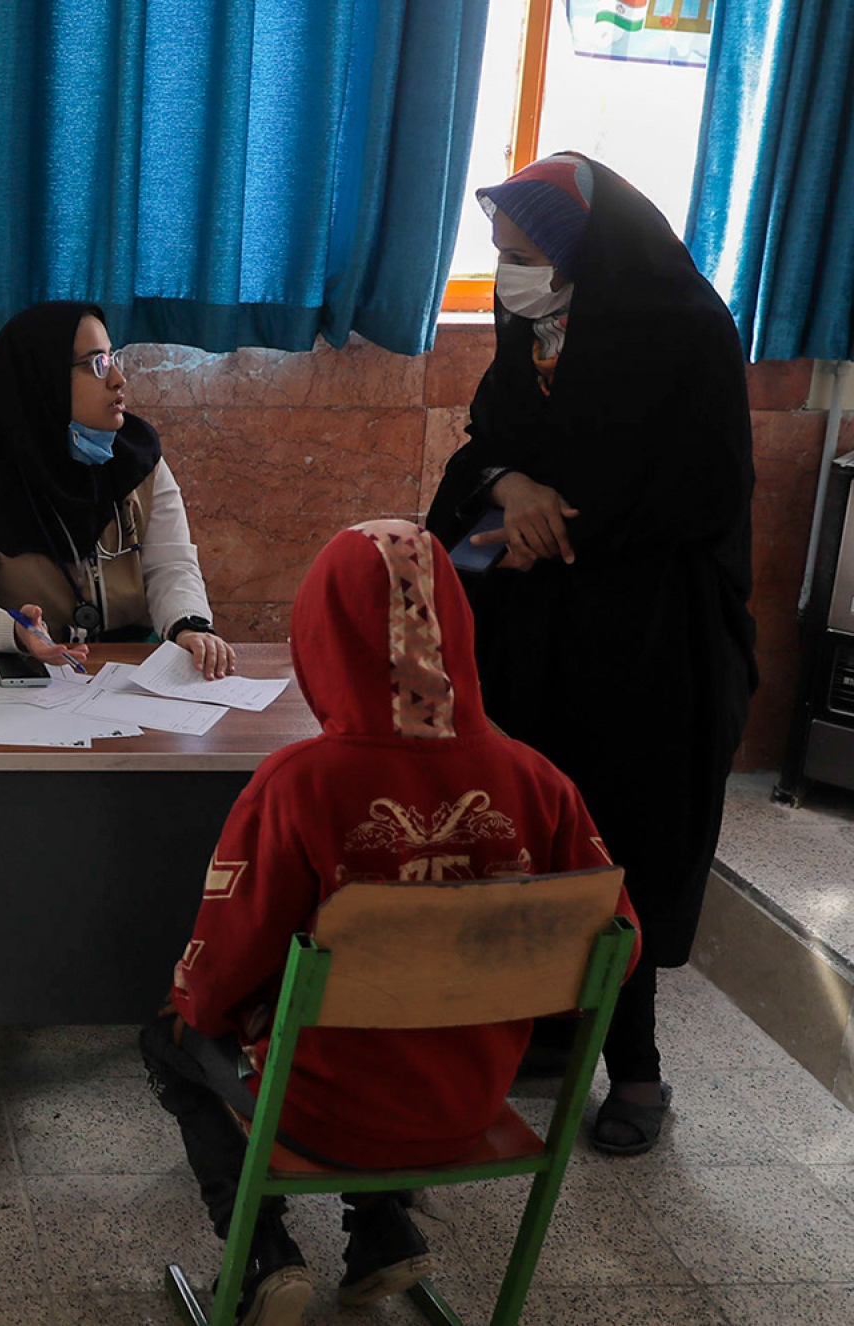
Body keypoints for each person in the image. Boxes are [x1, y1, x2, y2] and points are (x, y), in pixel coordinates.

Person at [143, 520, 638, 1324]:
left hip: (322, 1110)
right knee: (397, 1030)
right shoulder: (540, 782)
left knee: (169, 1033)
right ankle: (381, 1229)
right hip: (471, 1103)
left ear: (322, 636)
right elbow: (615, 950)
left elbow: (222, 974)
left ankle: (263, 1251)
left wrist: (190, 1005)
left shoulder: (297, 785)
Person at [424, 153, 755, 1157]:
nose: (502, 271)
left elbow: (703, 492)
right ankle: (544, 1026)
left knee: (622, 848)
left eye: (517, 252)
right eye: (495, 250)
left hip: (648, 649)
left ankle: (637, 1071)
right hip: (533, 636)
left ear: (579, 254)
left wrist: (555, 522)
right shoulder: (531, 330)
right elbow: (478, 449)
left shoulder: (685, 335)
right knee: (523, 837)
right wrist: (505, 488)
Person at [0, 301, 236, 678]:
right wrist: (16, 632)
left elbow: (171, 566)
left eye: (113, 357)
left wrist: (189, 625)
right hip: (27, 674)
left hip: (133, 669)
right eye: (97, 364)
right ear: (44, 379)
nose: (118, 378)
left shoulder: (138, 456)